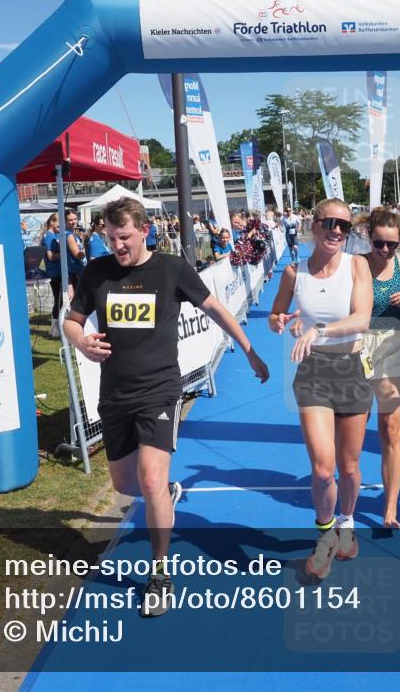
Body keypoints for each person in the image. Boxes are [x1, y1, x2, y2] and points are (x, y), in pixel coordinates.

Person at [64, 197, 268, 617]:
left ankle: (159, 573)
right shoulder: (97, 271)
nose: (117, 245)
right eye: (110, 237)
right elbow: (72, 320)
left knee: (152, 479)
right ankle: (168, 495)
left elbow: (215, 308)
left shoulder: (171, 269)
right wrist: (81, 340)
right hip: (114, 394)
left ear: (144, 231)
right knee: (126, 484)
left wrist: (249, 350)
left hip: (159, 390)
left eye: (124, 237)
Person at [268, 198, 372, 579]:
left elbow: (361, 319)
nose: (337, 231)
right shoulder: (293, 273)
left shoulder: (357, 266)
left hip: (352, 371)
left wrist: (318, 330)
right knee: (324, 470)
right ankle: (326, 534)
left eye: (344, 226)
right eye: (330, 223)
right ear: (314, 225)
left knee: (349, 467)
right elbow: (275, 316)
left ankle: (347, 521)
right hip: (313, 374)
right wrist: (281, 321)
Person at [360, 209, 400, 529]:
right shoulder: (356, 265)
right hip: (358, 348)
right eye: (379, 243)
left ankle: (390, 508)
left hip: (393, 346)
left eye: (392, 244)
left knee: (391, 427)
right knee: (355, 427)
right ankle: (344, 497)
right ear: (368, 237)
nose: (385, 250)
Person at [38, 213, 63, 337]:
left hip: (58, 272)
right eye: (59, 222)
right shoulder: (49, 236)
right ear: (52, 222)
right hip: (55, 272)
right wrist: (65, 253)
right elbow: (50, 256)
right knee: (59, 299)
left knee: (60, 299)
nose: (61, 225)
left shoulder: (54, 235)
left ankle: (56, 327)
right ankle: (55, 328)